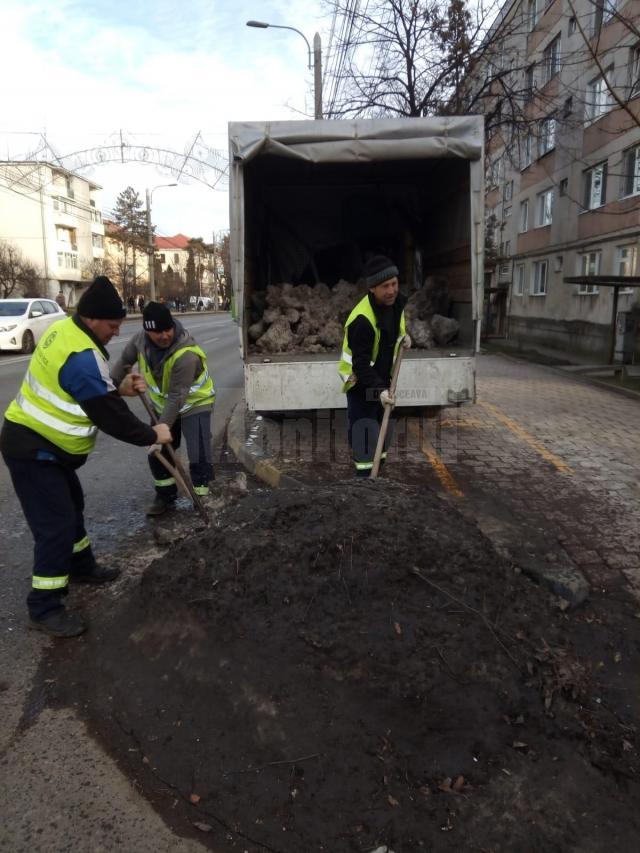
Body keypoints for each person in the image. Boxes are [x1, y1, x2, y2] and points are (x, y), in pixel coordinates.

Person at [1, 276, 172, 638]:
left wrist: (120, 388)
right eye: (112, 326)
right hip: (33, 449)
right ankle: (44, 608)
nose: (115, 332)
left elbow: (93, 391)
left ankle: (81, 566)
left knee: (72, 505)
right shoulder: (79, 355)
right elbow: (108, 414)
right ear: (93, 318)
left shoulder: (70, 331)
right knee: (56, 525)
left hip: (47, 447)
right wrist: (151, 434)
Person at [111, 301, 215, 516]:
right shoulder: (140, 341)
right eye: (157, 332)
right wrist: (107, 391)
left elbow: (177, 396)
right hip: (162, 406)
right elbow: (123, 363)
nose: (165, 335)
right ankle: (165, 497)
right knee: (157, 452)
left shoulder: (185, 353)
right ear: (147, 330)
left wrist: (162, 429)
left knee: (198, 453)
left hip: (194, 403)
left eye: (168, 329)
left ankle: (203, 498)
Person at [338, 255, 411, 476]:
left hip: (382, 382)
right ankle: (364, 485)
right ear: (372, 288)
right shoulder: (362, 321)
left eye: (394, 284)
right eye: (385, 286)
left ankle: (378, 477)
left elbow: (390, 334)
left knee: (383, 435)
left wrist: (404, 338)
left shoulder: (396, 304)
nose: (391, 290)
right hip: (361, 386)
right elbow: (360, 365)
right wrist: (379, 391)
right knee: (365, 439)